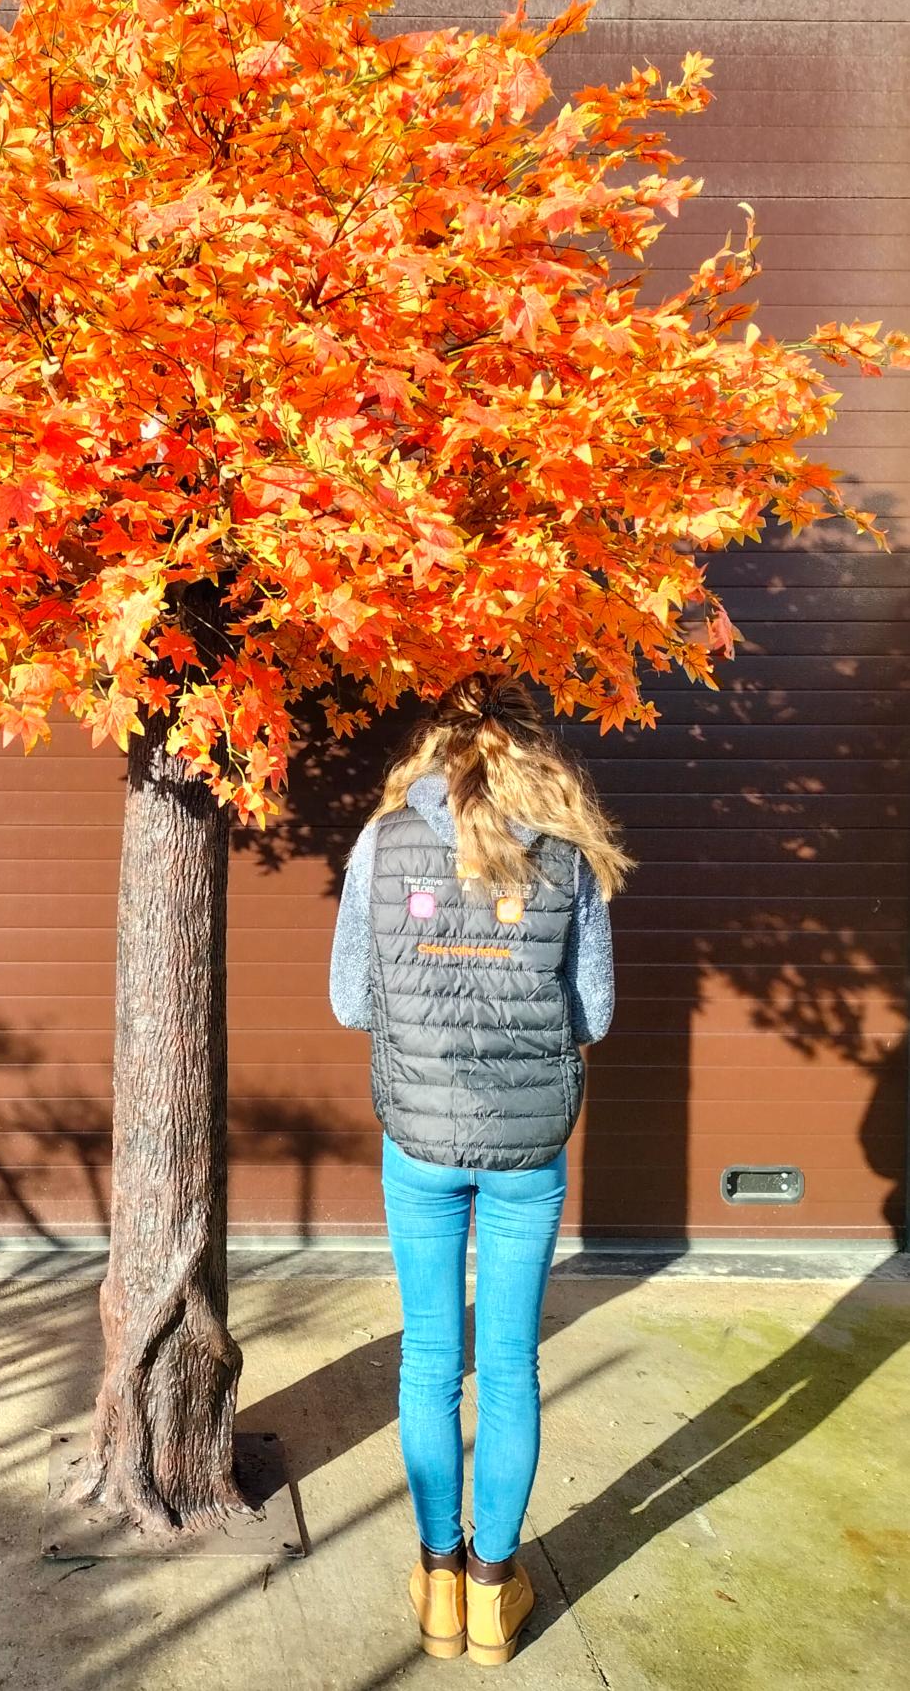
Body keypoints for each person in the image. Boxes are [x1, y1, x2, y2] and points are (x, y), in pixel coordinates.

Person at [329, 670, 630, 1666]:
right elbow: (593, 1013)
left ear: (430, 750)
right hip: (528, 1148)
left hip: (416, 1136)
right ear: (532, 752)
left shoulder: (381, 843)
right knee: (507, 1368)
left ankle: (436, 1584)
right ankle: (494, 1594)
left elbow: (350, 1003)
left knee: (427, 1359)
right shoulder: (567, 857)